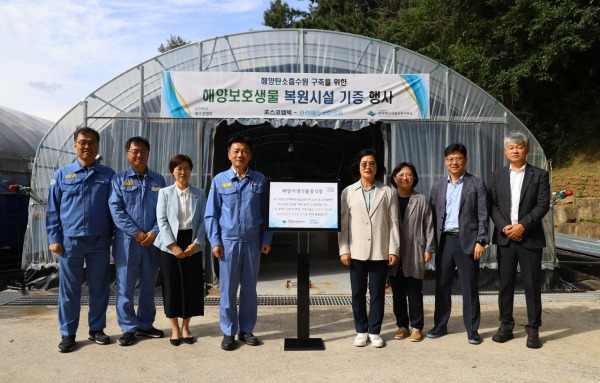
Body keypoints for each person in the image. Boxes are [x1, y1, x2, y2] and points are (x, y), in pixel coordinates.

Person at [46, 127, 115, 353]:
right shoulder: (62, 174)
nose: (87, 146)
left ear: (98, 146)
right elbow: (53, 209)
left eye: (92, 142)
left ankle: (96, 329)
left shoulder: (108, 175)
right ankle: (68, 333)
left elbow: (115, 208)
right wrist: (54, 237)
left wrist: (114, 234)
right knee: (69, 290)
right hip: (70, 241)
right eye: (83, 142)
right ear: (75, 145)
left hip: (99, 240)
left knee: (99, 287)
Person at [204, 135, 273, 351]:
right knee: (227, 289)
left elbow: (268, 213)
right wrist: (215, 241)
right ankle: (228, 331)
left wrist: (266, 239)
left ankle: (246, 330)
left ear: (250, 155)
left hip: (252, 242)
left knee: (249, 289)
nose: (239, 155)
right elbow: (211, 215)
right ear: (228, 154)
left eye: (244, 151)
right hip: (228, 243)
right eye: (235, 151)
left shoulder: (260, 180)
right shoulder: (219, 180)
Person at [489, 131, 550, 349]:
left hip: (529, 237)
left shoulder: (539, 175)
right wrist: (506, 227)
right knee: (505, 284)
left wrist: (523, 225)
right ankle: (506, 325)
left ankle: (533, 329)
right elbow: (493, 205)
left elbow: (542, 205)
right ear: (506, 151)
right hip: (506, 239)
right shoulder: (497, 176)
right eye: (511, 147)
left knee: (532, 285)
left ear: (527, 149)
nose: (515, 150)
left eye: (519, 146)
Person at [428, 143, 489, 345]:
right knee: (442, 286)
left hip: (468, 242)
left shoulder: (476, 183)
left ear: (465, 160)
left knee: (469, 287)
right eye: (450, 159)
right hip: (444, 241)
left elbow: (483, 214)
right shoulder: (438, 185)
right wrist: (429, 244)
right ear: (446, 161)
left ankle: (472, 329)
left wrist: (481, 241)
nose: (454, 162)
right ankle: (440, 325)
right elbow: (432, 216)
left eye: (458, 158)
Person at [338, 149, 400, 348]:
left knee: (377, 293)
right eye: (364, 163)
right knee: (357, 292)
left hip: (380, 250)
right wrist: (344, 249)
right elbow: (343, 224)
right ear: (359, 167)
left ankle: (374, 330)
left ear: (377, 168)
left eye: (372, 163)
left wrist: (393, 249)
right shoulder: (348, 192)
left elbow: (394, 223)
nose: (368, 166)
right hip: (355, 250)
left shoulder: (387, 191)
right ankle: (361, 330)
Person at [109, 136, 166, 346]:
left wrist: (153, 232)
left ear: (148, 154)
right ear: (127, 154)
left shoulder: (158, 180)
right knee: (125, 286)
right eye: (134, 151)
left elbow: (164, 210)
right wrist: (136, 232)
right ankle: (128, 328)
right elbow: (116, 210)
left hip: (151, 242)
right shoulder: (118, 180)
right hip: (127, 242)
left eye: (143, 151)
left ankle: (145, 325)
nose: (139, 155)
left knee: (149, 285)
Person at [154, 154, 207, 346]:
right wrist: (173, 246)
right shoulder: (165, 193)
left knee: (191, 285)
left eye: (186, 168)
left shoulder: (199, 193)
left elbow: (203, 220)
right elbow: (162, 221)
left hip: (192, 242)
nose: (183, 172)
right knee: (172, 286)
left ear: (191, 171)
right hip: (170, 244)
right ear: (172, 171)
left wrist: (196, 243)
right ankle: (175, 329)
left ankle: (186, 327)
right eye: (179, 168)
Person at [388, 162, 436, 343]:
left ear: (414, 178)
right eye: (401, 175)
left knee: (414, 291)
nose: (404, 178)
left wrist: (429, 249)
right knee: (397, 292)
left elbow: (429, 225)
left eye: (408, 175)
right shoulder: (388, 197)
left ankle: (417, 327)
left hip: (415, 250)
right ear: (394, 178)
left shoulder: (421, 199)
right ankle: (402, 326)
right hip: (393, 252)